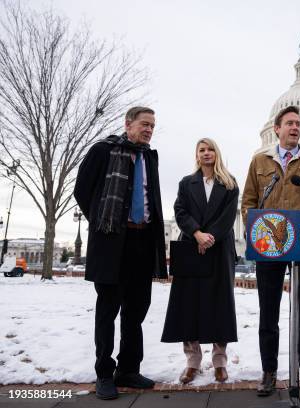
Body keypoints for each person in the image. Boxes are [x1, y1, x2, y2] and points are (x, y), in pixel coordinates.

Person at [74, 107, 167, 400]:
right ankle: (104, 373)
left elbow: (152, 197)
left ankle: (128, 369)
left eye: (153, 126)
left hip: (143, 241)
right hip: (113, 243)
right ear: (128, 124)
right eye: (145, 124)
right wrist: (104, 223)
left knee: (135, 312)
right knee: (107, 311)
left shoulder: (150, 156)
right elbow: (82, 190)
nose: (149, 130)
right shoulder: (103, 150)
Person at [241, 105, 300, 399]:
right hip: (270, 244)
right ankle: (269, 372)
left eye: (298, 124)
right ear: (276, 129)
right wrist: (257, 230)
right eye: (289, 123)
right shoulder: (259, 162)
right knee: (268, 311)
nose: (295, 127)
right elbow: (248, 203)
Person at [161, 138, 239, 385]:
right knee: (188, 305)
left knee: (220, 305)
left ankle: (219, 361)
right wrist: (197, 234)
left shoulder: (229, 184)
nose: (206, 153)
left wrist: (210, 237)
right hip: (191, 247)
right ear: (196, 155)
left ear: (217, 153)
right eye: (202, 150)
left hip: (219, 248)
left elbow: (228, 217)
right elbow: (180, 211)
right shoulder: (186, 183)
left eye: (211, 149)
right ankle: (192, 361)